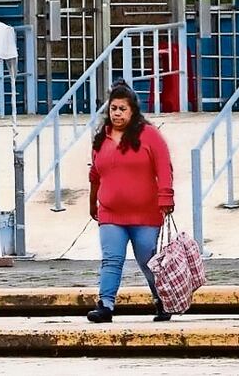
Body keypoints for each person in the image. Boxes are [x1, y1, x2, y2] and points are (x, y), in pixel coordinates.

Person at [86, 80, 174, 323]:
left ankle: (161, 301)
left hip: (146, 214)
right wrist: (92, 202)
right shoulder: (101, 138)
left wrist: (166, 197)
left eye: (122, 109)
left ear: (133, 110)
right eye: (113, 108)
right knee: (111, 259)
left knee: (148, 261)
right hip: (111, 213)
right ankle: (105, 305)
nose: (117, 113)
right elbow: (95, 174)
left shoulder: (150, 135)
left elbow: (164, 167)